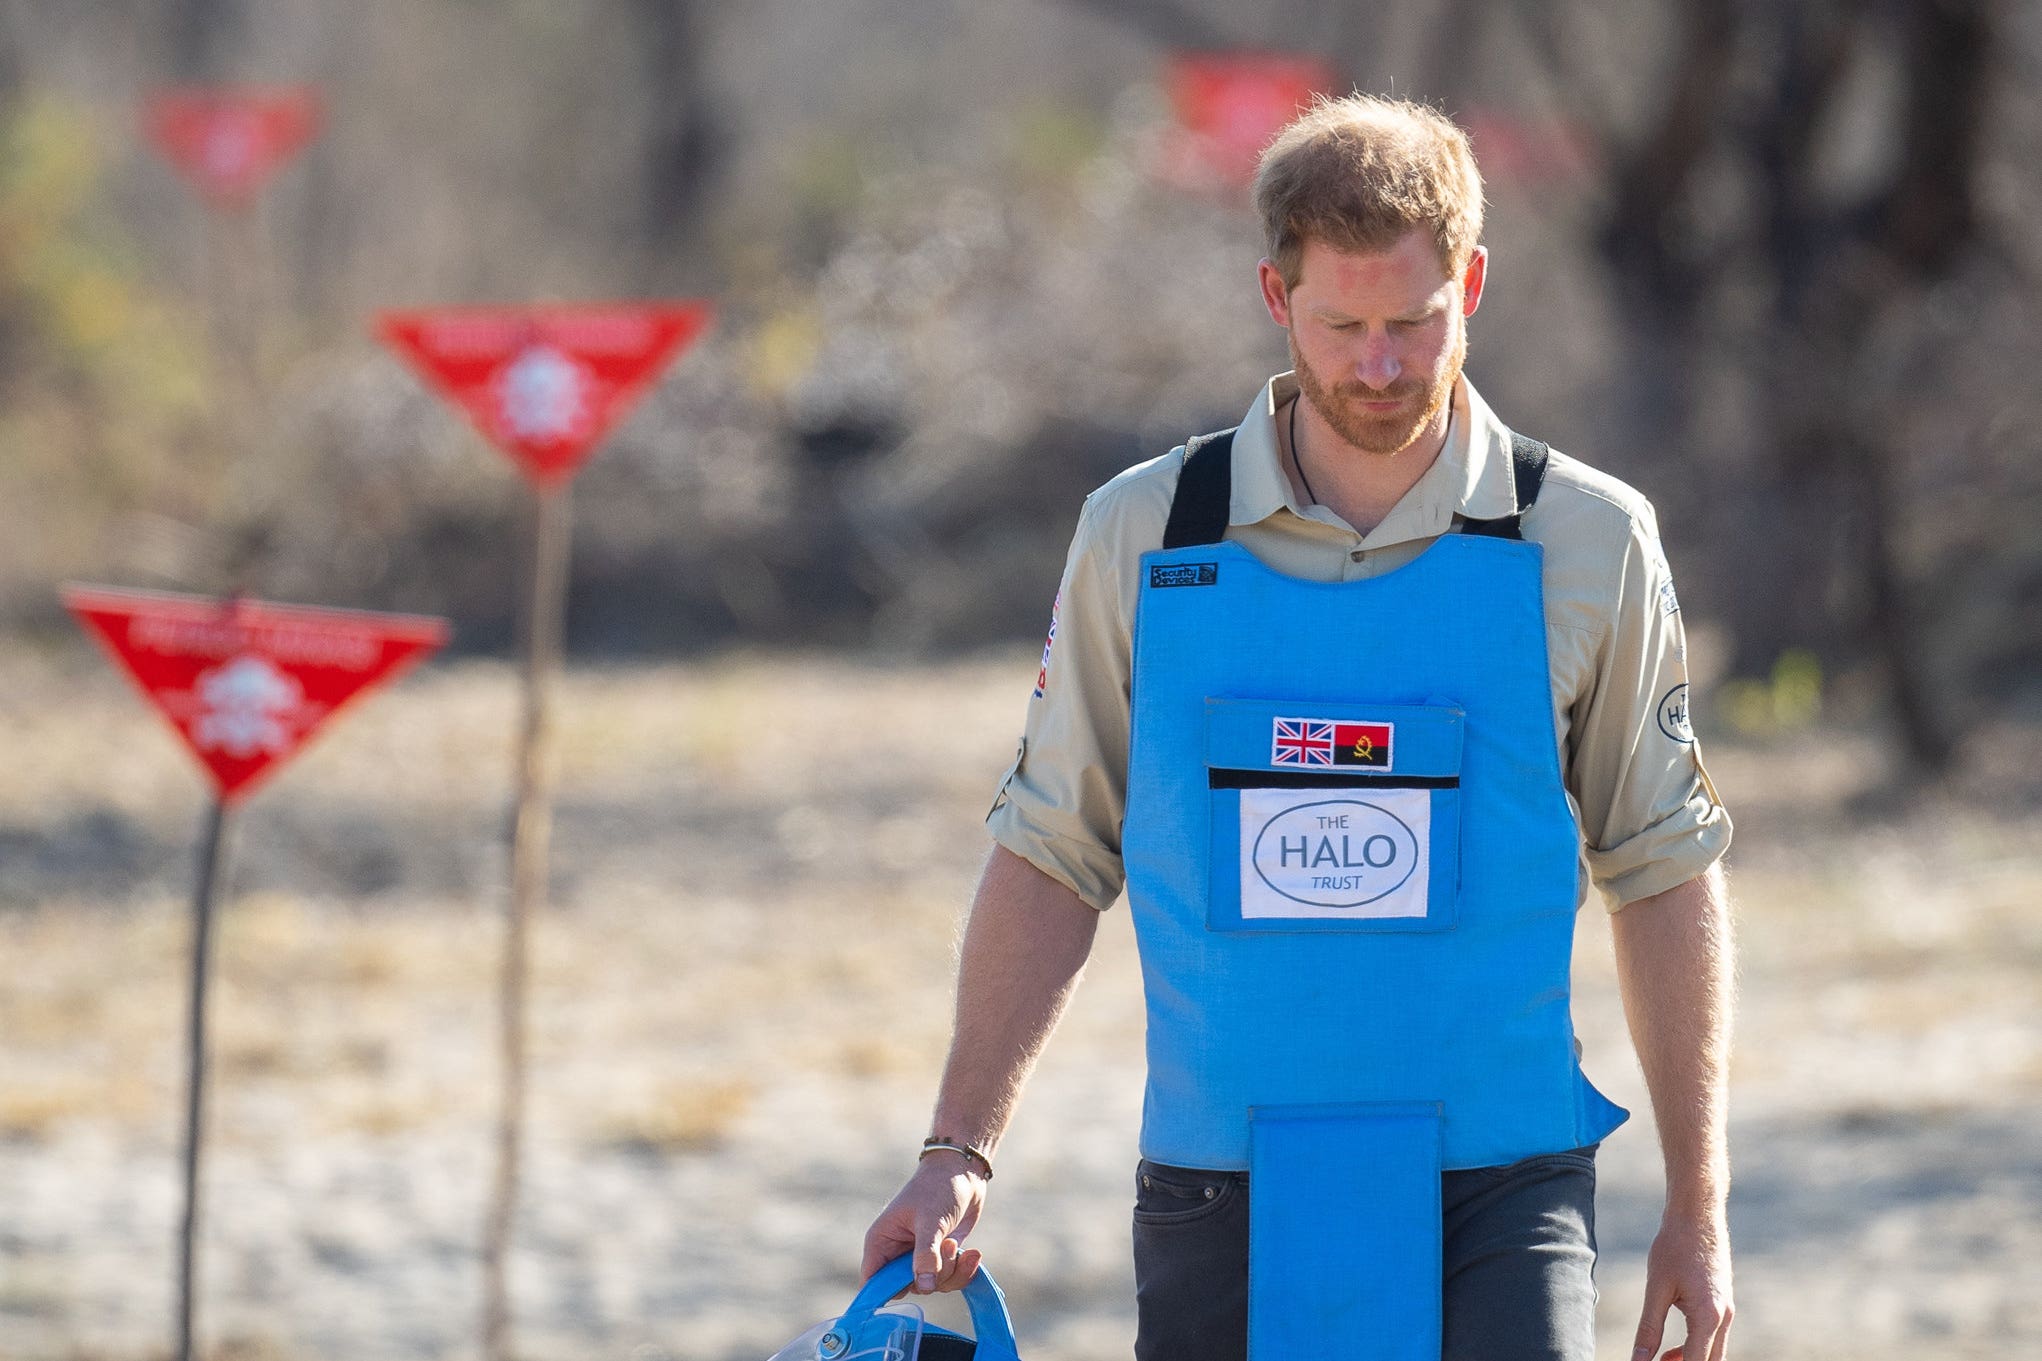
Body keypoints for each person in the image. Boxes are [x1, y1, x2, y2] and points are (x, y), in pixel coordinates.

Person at [860, 93, 1736, 1361]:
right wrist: (955, 1151)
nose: (1379, 366)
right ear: (1276, 298)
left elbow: (1660, 866)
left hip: (1504, 1182)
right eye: (1341, 325)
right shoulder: (1143, 532)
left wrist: (1697, 1209)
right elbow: (1052, 850)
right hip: (1218, 1189)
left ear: (1472, 283)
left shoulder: (1587, 538)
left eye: (1411, 322)